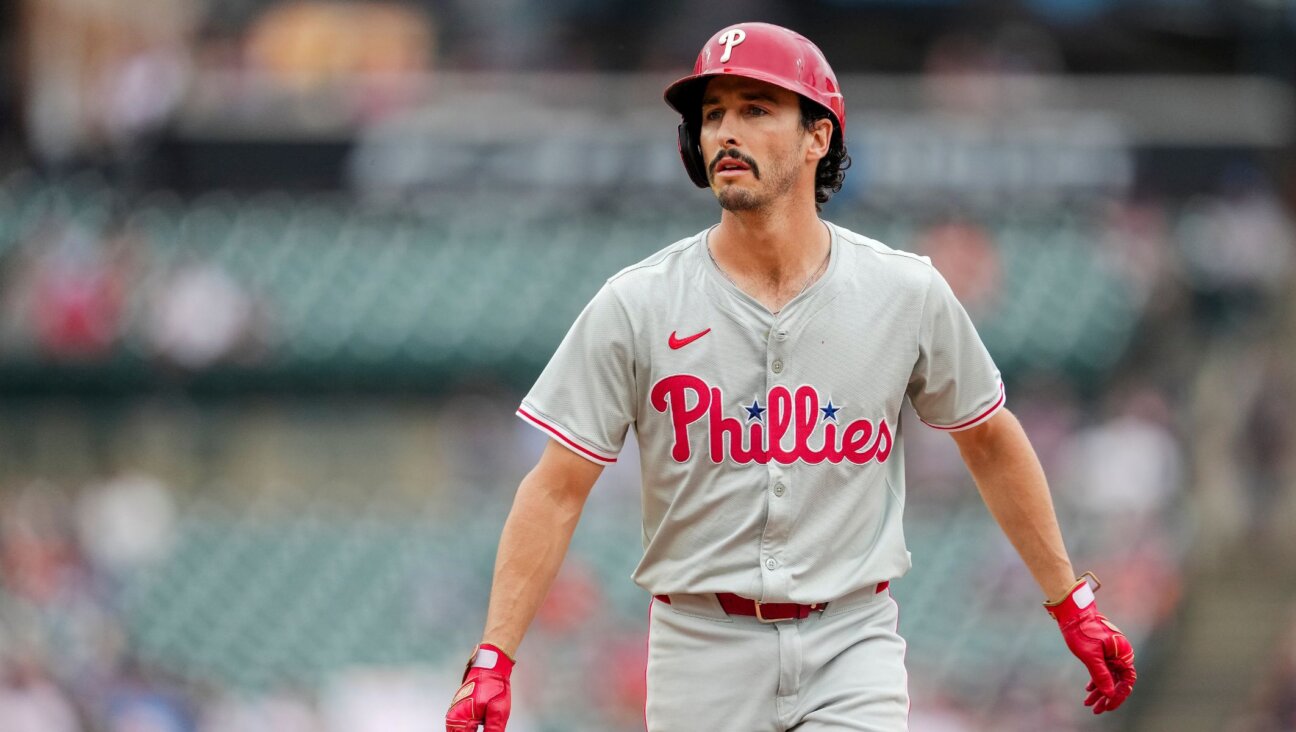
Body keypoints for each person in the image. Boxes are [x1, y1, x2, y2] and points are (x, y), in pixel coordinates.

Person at [445, 22, 1136, 732]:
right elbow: (556, 489)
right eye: (712, 115)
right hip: (699, 647)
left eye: (755, 108)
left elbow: (990, 441)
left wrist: (1069, 602)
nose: (725, 132)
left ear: (818, 137)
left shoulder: (906, 292)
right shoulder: (637, 302)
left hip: (852, 636)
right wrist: (495, 656)